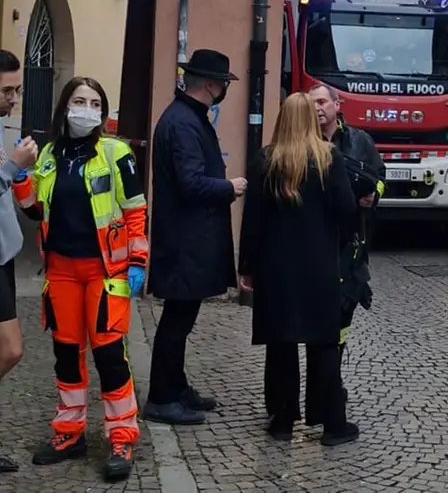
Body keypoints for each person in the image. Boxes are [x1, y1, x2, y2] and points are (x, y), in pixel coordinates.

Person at [11, 77, 147, 480]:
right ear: (65, 107)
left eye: (93, 102)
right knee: (67, 355)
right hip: (61, 272)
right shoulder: (50, 155)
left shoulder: (115, 153)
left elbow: (135, 210)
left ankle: (122, 434)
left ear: (102, 111)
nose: (86, 108)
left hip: (105, 272)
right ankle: (70, 432)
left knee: (108, 355)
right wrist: (20, 178)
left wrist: (138, 259)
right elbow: (36, 209)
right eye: (78, 100)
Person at [238, 92, 359, 447]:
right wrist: (340, 245)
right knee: (323, 343)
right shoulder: (328, 158)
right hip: (318, 265)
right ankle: (332, 423)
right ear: (310, 118)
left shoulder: (266, 160)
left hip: (276, 268)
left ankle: (282, 419)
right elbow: (347, 211)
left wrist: (248, 266)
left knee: (281, 343)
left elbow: (253, 221)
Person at [144, 49, 246, 426]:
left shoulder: (187, 116)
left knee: (182, 319)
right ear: (210, 85)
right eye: (223, 84)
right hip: (185, 241)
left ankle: (177, 386)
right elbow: (190, 183)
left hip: (188, 238)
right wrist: (227, 187)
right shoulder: (183, 122)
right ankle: (162, 396)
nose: (224, 90)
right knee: (176, 320)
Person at [308, 84, 385, 401]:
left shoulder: (359, 142)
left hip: (350, 241)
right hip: (313, 242)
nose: (318, 109)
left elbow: (381, 174)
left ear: (337, 106)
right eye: (312, 103)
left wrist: (374, 194)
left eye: (323, 102)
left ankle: (329, 386)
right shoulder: (300, 141)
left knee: (341, 318)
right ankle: (319, 390)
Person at [0, 50, 38, 474]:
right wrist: (13, 167)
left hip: (4, 252)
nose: (14, 98)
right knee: (10, 350)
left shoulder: (2, 123)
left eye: (17, 89)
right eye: (7, 91)